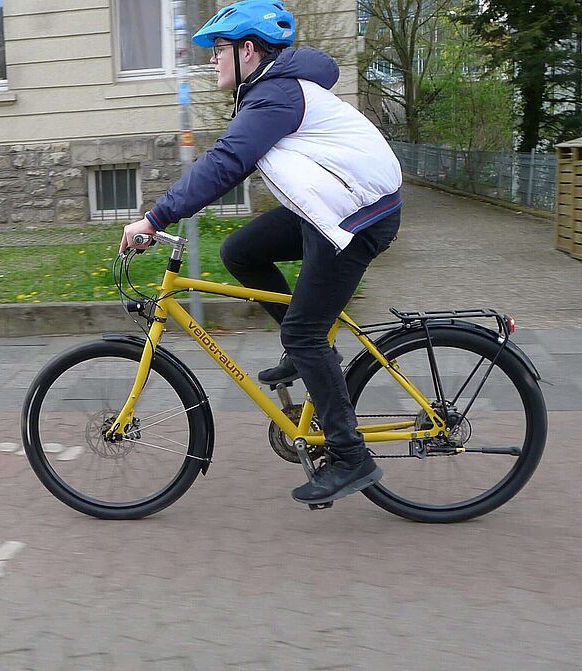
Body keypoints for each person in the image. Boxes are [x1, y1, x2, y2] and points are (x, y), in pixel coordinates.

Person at [119, 0, 403, 506]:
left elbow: (227, 160)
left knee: (305, 330)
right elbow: (237, 157)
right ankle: (307, 356)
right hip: (332, 208)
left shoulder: (273, 94)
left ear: (248, 51)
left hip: (360, 217)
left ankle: (350, 456)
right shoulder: (269, 89)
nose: (211, 60)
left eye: (219, 50)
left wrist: (155, 218)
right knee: (241, 250)